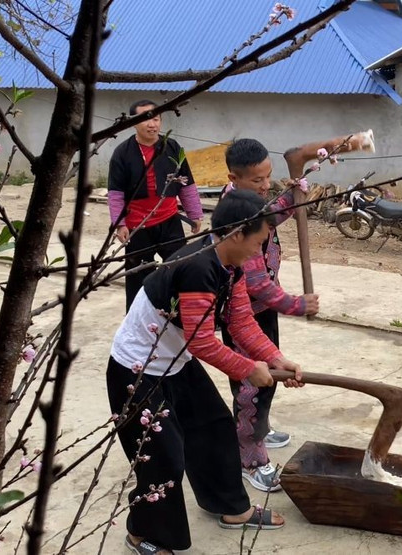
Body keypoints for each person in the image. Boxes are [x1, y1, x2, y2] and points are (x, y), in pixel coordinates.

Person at [106, 190, 303, 554]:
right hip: (136, 370)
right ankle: (141, 535)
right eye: (259, 242)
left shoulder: (231, 265)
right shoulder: (198, 268)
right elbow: (202, 343)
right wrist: (249, 369)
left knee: (214, 427)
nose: (260, 253)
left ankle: (231, 508)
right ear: (237, 233)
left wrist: (275, 358)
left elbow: (241, 321)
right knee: (163, 458)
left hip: (174, 361)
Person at [220, 138, 319, 493]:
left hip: (260, 314)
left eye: (269, 178)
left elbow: (271, 214)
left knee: (265, 383)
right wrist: (298, 304)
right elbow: (258, 283)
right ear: (234, 177)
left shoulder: (251, 203)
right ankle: (251, 458)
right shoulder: (237, 215)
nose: (266, 186)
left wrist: (291, 197)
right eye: (258, 181)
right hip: (243, 314)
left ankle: (257, 429)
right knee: (251, 391)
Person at [108, 99, 204, 312]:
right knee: (137, 275)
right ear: (133, 123)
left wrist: (195, 213)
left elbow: (186, 182)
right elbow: (115, 193)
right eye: (145, 119)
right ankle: (137, 317)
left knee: (180, 266)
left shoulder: (172, 147)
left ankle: (180, 313)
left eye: (156, 118)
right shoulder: (122, 153)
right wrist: (119, 224)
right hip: (138, 225)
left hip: (169, 220)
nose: (152, 124)